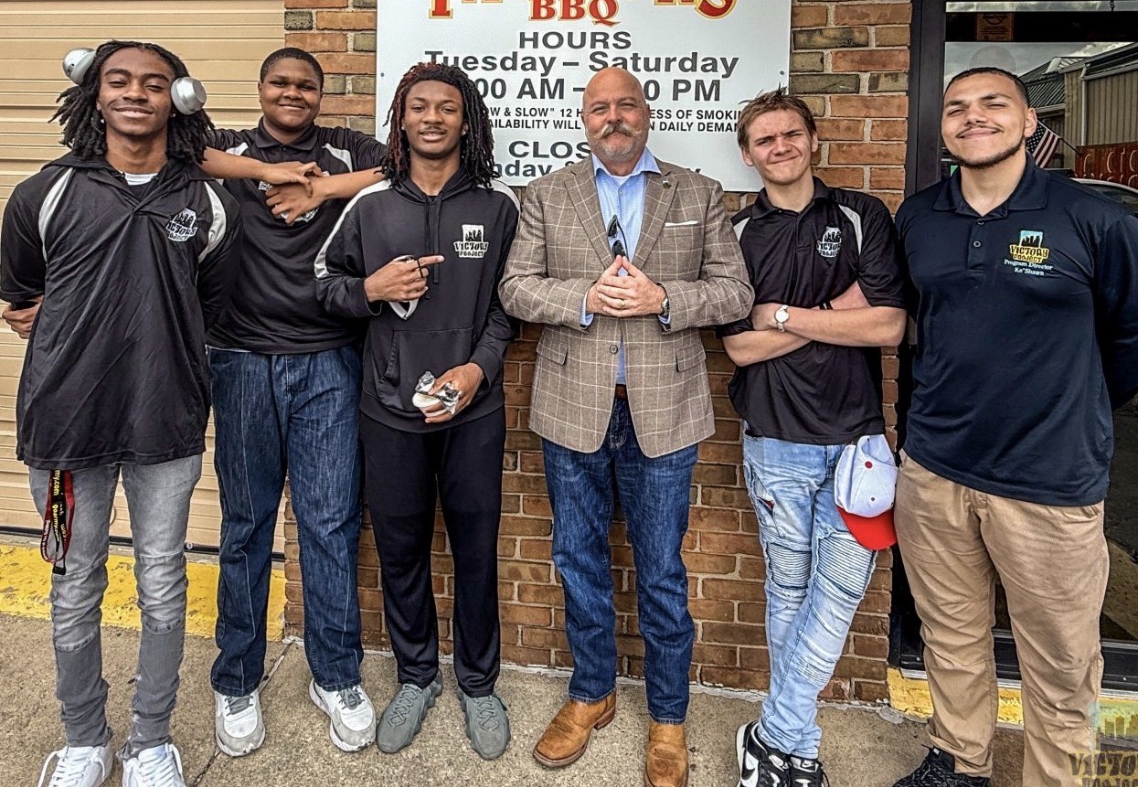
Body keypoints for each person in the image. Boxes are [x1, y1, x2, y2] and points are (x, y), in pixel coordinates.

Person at [891, 67, 1138, 787]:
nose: (973, 117)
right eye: (957, 108)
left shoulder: (1096, 220)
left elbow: (1132, 342)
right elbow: (922, 329)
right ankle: (959, 761)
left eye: (993, 104)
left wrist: (1069, 410)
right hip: (935, 470)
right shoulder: (920, 216)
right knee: (950, 637)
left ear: (1028, 122)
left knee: (1065, 662)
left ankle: (1062, 777)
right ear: (943, 126)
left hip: (1047, 482)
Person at [498, 67, 753, 787]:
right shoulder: (547, 194)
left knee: (663, 571)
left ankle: (669, 716)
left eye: (626, 105)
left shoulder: (698, 193)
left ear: (647, 113)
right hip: (571, 407)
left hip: (665, 412)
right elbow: (515, 286)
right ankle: (592, 692)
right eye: (599, 107)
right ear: (584, 118)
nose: (613, 117)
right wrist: (583, 294)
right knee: (578, 559)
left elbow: (736, 290)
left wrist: (662, 295)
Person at [1, 40, 240, 787]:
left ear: (181, 97)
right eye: (120, 80)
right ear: (95, 94)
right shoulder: (45, 194)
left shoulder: (204, 202)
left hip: (165, 424)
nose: (137, 93)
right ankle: (82, 739)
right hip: (66, 430)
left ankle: (150, 740)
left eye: (155, 82)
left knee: (164, 578)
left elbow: (209, 308)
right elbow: (20, 298)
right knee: (74, 580)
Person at [316, 62, 519, 761]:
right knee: (400, 550)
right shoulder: (369, 205)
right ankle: (415, 675)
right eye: (419, 107)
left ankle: (478, 682)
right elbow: (325, 286)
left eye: (448, 108)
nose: (433, 118)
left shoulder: (498, 207)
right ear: (400, 119)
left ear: (468, 121)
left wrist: (475, 369)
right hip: (388, 409)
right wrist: (370, 287)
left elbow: (506, 308)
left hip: (473, 410)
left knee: (475, 551)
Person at [196, 48, 387, 756]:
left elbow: (403, 161)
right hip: (241, 360)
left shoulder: (345, 150)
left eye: (306, 85)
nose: (293, 93)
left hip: (329, 362)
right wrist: (270, 172)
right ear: (261, 89)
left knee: (330, 523)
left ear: (321, 94)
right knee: (247, 524)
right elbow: (188, 151)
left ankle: (335, 673)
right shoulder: (234, 148)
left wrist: (324, 190)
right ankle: (237, 679)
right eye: (280, 82)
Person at [718, 91, 906, 787]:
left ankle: (776, 729)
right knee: (788, 590)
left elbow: (888, 326)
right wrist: (840, 308)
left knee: (842, 588)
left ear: (813, 138)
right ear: (748, 152)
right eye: (764, 139)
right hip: (775, 442)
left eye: (790, 133)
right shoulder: (738, 233)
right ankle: (790, 750)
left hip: (858, 444)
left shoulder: (861, 215)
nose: (780, 147)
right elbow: (738, 346)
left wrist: (788, 314)